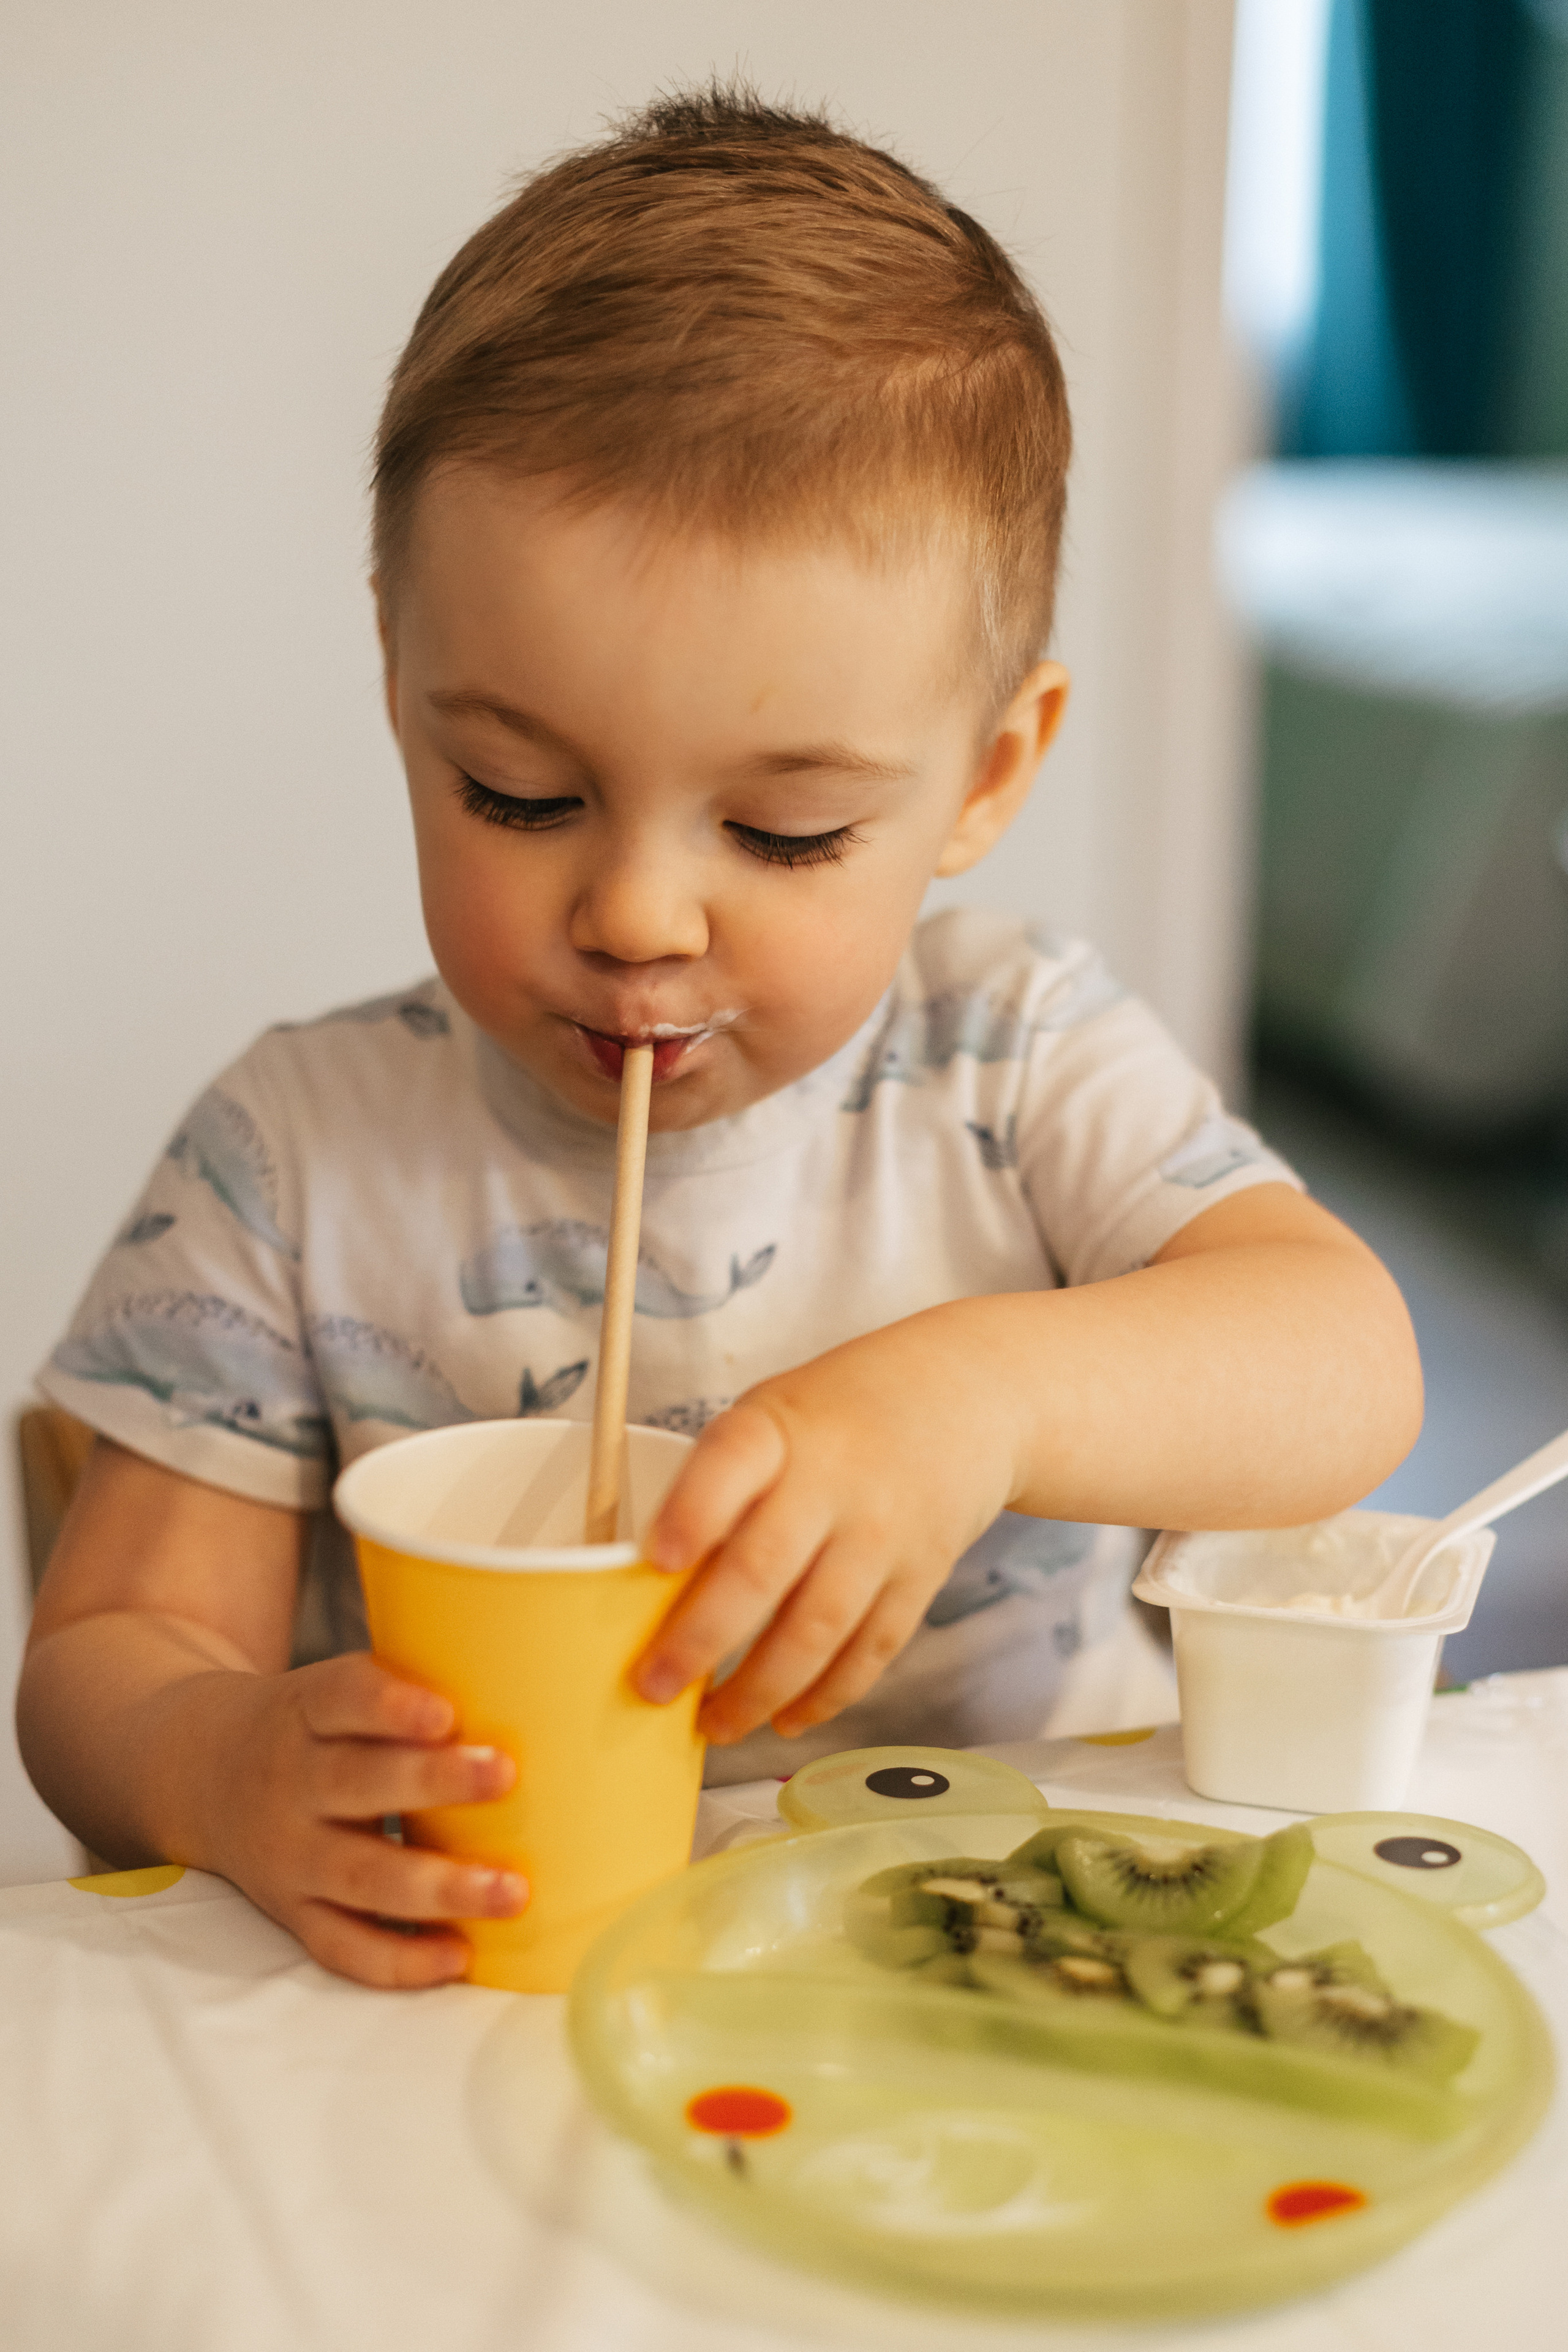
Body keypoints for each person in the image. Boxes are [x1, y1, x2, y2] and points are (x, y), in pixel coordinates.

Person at [17, 88, 1422, 1988]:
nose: (639, 917)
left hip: (1002, 1977)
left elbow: (1349, 1366)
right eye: (519, 793)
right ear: (402, 680)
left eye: (782, 831)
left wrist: (978, 1402)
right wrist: (214, 1757)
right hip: (501, 1999)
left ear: (988, 772)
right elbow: (109, 1658)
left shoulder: (1015, 1057)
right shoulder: (294, 1155)